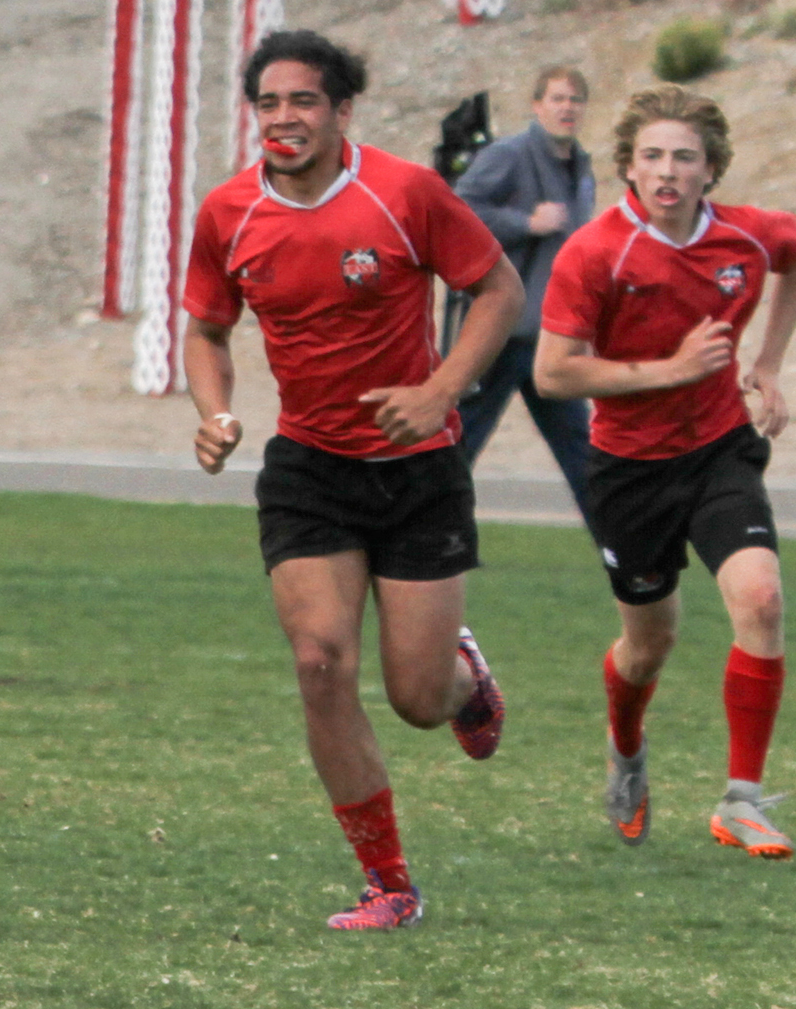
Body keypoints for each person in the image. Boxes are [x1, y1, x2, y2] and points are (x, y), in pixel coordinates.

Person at [182, 29, 524, 930]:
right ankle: (388, 883)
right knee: (319, 660)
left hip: (417, 469)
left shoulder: (406, 192)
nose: (283, 118)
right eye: (268, 103)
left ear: (341, 111)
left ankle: (463, 676)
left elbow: (500, 290)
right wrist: (214, 413)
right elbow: (206, 330)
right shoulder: (228, 213)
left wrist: (441, 387)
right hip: (308, 469)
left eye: (302, 101)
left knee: (417, 700)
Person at [534, 84, 796, 856]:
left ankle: (741, 798)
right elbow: (554, 375)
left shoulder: (745, 238)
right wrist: (669, 369)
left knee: (762, 597)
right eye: (652, 156)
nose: (668, 171)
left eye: (685, 156)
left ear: (711, 167)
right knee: (649, 644)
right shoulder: (595, 252)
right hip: (628, 468)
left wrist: (770, 363)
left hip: (718, 450)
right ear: (628, 167)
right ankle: (626, 750)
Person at [455, 65, 597, 520]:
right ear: (537, 106)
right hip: (500, 330)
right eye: (557, 99)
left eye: (575, 100)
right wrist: (525, 222)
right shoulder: (511, 154)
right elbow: (459, 208)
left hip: (550, 336)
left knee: (582, 451)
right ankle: (425, 540)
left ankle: (626, 557)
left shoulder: (581, 166)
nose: (567, 108)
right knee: (459, 442)